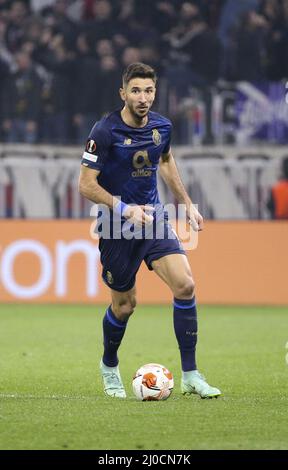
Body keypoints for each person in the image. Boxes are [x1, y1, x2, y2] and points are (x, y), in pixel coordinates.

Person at [78, 62, 221, 399]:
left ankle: (190, 375)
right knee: (125, 306)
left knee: (185, 285)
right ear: (123, 93)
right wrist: (125, 208)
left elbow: (166, 161)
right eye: (136, 90)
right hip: (116, 227)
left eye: (149, 91)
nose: (143, 98)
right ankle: (109, 365)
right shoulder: (104, 130)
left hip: (154, 220)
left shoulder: (162, 126)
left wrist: (185, 202)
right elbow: (86, 184)